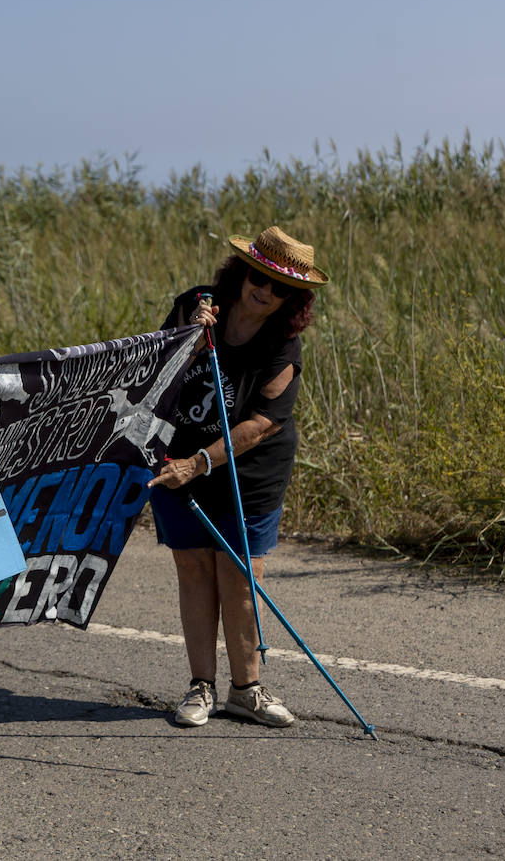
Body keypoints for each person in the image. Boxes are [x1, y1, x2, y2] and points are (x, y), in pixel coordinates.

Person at [146, 226, 328, 729]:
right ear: (241, 273)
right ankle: (200, 687)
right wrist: (188, 337)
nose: (265, 290)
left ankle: (245, 689)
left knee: (240, 579)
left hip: (246, 471)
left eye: (280, 287)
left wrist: (199, 463)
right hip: (176, 461)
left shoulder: (282, 347)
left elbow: (261, 424)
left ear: (292, 298)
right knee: (195, 571)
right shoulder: (196, 306)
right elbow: (157, 369)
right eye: (258, 277)